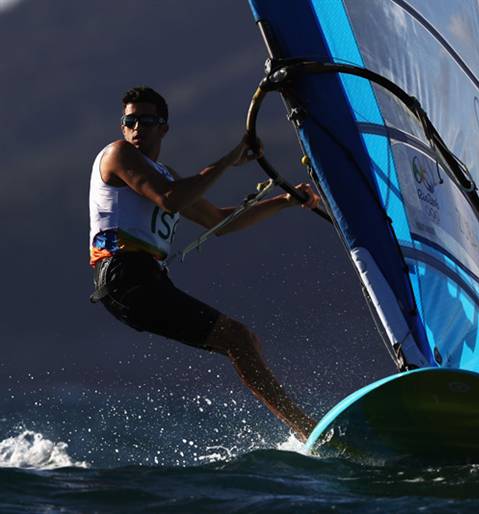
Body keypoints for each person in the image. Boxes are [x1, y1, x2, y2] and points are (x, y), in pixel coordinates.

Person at [89, 86, 319, 440]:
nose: (137, 128)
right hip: (124, 276)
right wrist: (230, 159)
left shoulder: (165, 174)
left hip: (146, 279)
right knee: (237, 338)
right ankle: (307, 429)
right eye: (130, 121)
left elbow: (220, 222)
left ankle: (304, 430)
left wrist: (285, 200)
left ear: (163, 128)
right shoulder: (118, 154)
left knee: (243, 341)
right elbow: (169, 200)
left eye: (146, 121)